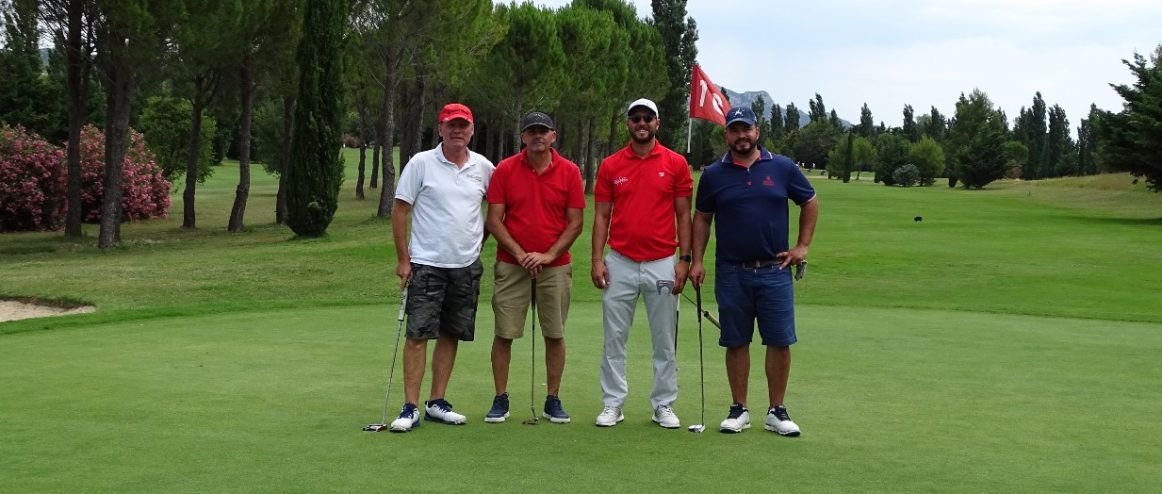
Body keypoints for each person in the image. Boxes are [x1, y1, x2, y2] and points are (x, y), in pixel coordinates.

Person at [689, 106, 818, 436]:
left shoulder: (783, 167)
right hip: (732, 271)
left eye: (747, 129)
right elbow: (702, 217)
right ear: (727, 135)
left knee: (779, 341)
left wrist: (802, 246)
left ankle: (776, 410)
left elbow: (810, 201)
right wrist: (697, 260)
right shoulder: (715, 173)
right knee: (736, 340)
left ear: (757, 132)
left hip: (775, 269)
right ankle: (739, 408)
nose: (741, 135)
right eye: (735, 130)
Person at [388, 102, 495, 432]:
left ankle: (437, 402)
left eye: (464, 125)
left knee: (451, 334)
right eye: (452, 125)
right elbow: (400, 210)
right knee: (418, 335)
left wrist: (480, 242)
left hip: (465, 266)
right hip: (426, 264)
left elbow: (495, 210)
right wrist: (404, 259)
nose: (458, 130)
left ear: (472, 129)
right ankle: (409, 407)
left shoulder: (483, 167)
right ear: (441, 129)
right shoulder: (421, 163)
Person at [591, 98, 693, 429]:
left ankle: (663, 404)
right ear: (628, 124)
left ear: (657, 123)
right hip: (619, 260)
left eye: (647, 118)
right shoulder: (611, 165)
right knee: (614, 337)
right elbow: (602, 215)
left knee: (664, 338)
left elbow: (683, 214)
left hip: (662, 261)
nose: (641, 123)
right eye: (635, 118)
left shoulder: (675, 163)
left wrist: (685, 260)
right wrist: (597, 259)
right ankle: (613, 403)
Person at [484, 111, 585, 424]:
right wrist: (522, 253)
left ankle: (552, 398)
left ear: (553, 136)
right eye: (532, 131)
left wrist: (546, 255)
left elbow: (575, 223)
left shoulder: (569, 172)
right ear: (523, 137)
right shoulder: (505, 169)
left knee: (554, 333)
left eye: (544, 131)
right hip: (511, 264)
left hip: (555, 266)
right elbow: (494, 219)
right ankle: (500, 398)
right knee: (504, 333)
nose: (538, 136)